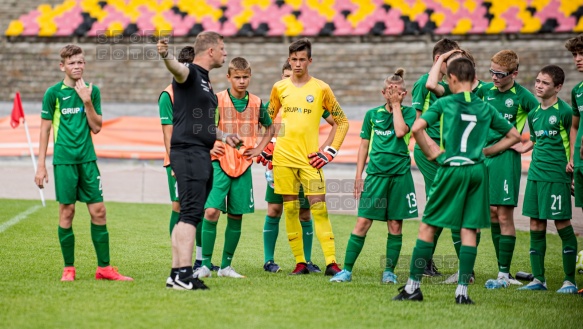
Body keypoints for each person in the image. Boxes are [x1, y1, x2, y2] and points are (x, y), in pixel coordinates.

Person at [393, 58, 520, 304]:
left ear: (451, 79)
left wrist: (432, 153)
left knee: (427, 226)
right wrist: (487, 152)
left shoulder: (446, 103)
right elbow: (514, 136)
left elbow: (417, 128)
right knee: (469, 229)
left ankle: (412, 287)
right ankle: (462, 292)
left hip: (451, 167)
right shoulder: (485, 107)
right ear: (474, 79)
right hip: (476, 170)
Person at [34, 44, 133, 282]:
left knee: (98, 211)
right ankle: (69, 268)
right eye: (72, 63)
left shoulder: (92, 91)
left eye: (80, 62)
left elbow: (97, 127)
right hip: (64, 161)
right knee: (66, 212)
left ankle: (104, 269)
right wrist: (40, 165)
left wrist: (87, 101)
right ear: (62, 66)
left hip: (88, 160)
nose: (77, 66)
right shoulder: (53, 94)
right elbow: (45, 130)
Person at [157, 32, 239, 290]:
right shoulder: (190, 73)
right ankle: (183, 273)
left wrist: (225, 136)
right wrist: (165, 55)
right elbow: (177, 69)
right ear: (211, 51)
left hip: (199, 152)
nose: (226, 54)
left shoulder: (204, 81)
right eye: (223, 49)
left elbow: (202, 125)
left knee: (188, 214)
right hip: (189, 153)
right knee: (191, 214)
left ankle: (176, 274)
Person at [267, 38, 349, 275]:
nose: (298, 64)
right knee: (290, 209)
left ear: (310, 61)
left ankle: (332, 263)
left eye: (302, 59)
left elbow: (342, 122)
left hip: (310, 160)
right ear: (289, 60)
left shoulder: (321, 88)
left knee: (319, 207)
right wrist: (268, 145)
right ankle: (300, 262)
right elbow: (266, 119)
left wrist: (328, 152)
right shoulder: (279, 88)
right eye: (294, 59)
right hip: (282, 160)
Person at [330, 69, 417, 283]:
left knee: (395, 225)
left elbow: (400, 132)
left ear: (404, 94)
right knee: (362, 222)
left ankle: (389, 272)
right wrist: (358, 176)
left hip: (400, 176)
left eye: (397, 91)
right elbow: (363, 146)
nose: (393, 94)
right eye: (389, 90)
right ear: (382, 92)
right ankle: (347, 271)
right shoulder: (372, 115)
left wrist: (396, 106)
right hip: (375, 176)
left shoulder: (410, 113)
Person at [194, 57, 275, 279]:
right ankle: (204, 265)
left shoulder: (257, 103)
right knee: (210, 212)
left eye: (245, 77)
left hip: (243, 164)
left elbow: (270, 128)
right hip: (218, 163)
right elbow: (200, 127)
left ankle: (226, 267)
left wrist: (259, 149)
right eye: (237, 77)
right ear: (228, 77)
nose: (241, 81)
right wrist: (209, 149)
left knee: (236, 216)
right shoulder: (217, 99)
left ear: (250, 77)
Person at [508, 65, 578, 293]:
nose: (538, 85)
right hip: (536, 174)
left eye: (545, 83)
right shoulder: (534, 114)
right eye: (537, 81)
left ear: (557, 87)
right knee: (536, 223)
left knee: (562, 224)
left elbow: (574, 140)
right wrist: (521, 147)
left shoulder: (565, 112)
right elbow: (538, 140)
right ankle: (539, 279)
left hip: (557, 175)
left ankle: (569, 280)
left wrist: (574, 169)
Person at [158, 46, 220, 280]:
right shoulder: (168, 94)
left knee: (198, 209)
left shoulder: (200, 89)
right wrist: (173, 162)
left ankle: (198, 260)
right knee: (180, 207)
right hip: (179, 159)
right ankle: (179, 262)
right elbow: (168, 131)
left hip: (198, 156)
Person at [426, 48, 487, 284]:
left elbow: (419, 125)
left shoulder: (472, 94)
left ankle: (414, 283)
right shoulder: (462, 96)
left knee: (457, 219)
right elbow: (433, 85)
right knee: (467, 220)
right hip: (472, 163)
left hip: (461, 162)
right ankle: (466, 274)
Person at [481, 50, 539, 287]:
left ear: (514, 73)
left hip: (506, 159)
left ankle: (504, 274)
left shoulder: (524, 97)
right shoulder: (484, 91)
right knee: (491, 212)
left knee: (503, 213)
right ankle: (501, 271)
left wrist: (526, 147)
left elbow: (543, 120)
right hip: (483, 158)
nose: (494, 77)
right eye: (491, 72)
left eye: (500, 74)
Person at [411, 38, 460, 277]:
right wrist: (429, 147)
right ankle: (423, 261)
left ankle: (425, 260)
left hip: (444, 152)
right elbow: (417, 119)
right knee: (439, 202)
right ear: (437, 59)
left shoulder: (448, 85)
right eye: (449, 60)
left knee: (438, 203)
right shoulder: (423, 82)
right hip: (428, 151)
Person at [564, 34, 583, 296]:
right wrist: (572, 156)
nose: (578, 60)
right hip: (579, 163)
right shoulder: (577, 90)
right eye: (575, 56)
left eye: (582, 55)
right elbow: (575, 126)